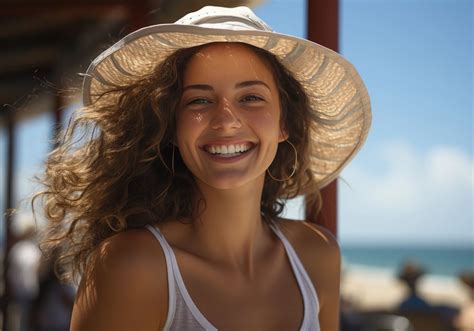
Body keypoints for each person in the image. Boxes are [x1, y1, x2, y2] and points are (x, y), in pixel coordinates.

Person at [33, 6, 371, 331]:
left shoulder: (317, 255)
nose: (226, 120)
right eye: (199, 100)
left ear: (285, 123)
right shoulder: (132, 267)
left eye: (251, 97)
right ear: (171, 127)